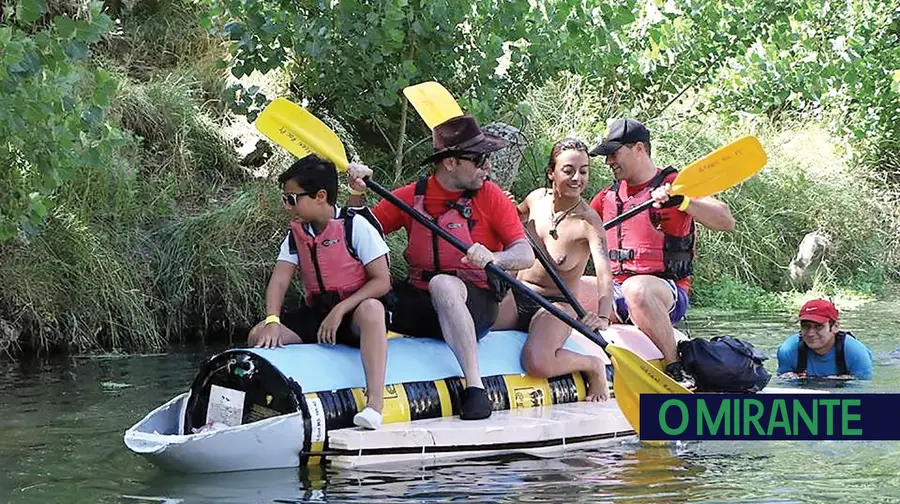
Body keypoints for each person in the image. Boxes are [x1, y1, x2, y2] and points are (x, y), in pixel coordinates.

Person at [347, 114, 535, 421]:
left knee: (443, 284)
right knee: (369, 301)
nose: (486, 167)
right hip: (421, 306)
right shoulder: (412, 196)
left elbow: (525, 254)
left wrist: (494, 257)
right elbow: (354, 234)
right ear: (450, 163)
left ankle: (474, 388)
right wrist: (356, 194)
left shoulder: (491, 196)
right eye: (478, 159)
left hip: (474, 306)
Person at [586, 119, 736, 389]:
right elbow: (573, 225)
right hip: (616, 292)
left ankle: (675, 369)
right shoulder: (608, 196)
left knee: (637, 289)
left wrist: (686, 202)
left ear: (639, 149)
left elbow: (726, 220)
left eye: (614, 153)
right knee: (566, 290)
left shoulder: (675, 185)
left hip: (665, 292)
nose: (608, 161)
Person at [248, 155, 392, 429]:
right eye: (285, 199)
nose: (288, 206)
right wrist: (272, 321)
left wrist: (341, 309)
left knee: (373, 309)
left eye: (293, 199)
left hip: (354, 315)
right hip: (318, 313)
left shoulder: (356, 226)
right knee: (258, 334)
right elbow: (279, 280)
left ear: (320, 196)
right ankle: (268, 406)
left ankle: (375, 404)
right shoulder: (296, 235)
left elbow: (382, 281)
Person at [493, 138, 613, 401]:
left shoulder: (589, 222)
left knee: (537, 362)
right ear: (551, 172)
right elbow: (512, 219)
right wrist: (503, 205)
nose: (577, 178)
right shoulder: (536, 198)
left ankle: (592, 365)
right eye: (568, 170)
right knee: (478, 320)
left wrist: (603, 316)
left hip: (556, 305)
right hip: (517, 294)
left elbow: (604, 272)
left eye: (583, 171)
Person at [776, 299, 874, 380]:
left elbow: (863, 393)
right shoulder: (787, 350)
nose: (810, 333)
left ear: (835, 327)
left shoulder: (856, 353)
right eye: (805, 326)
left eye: (819, 326)